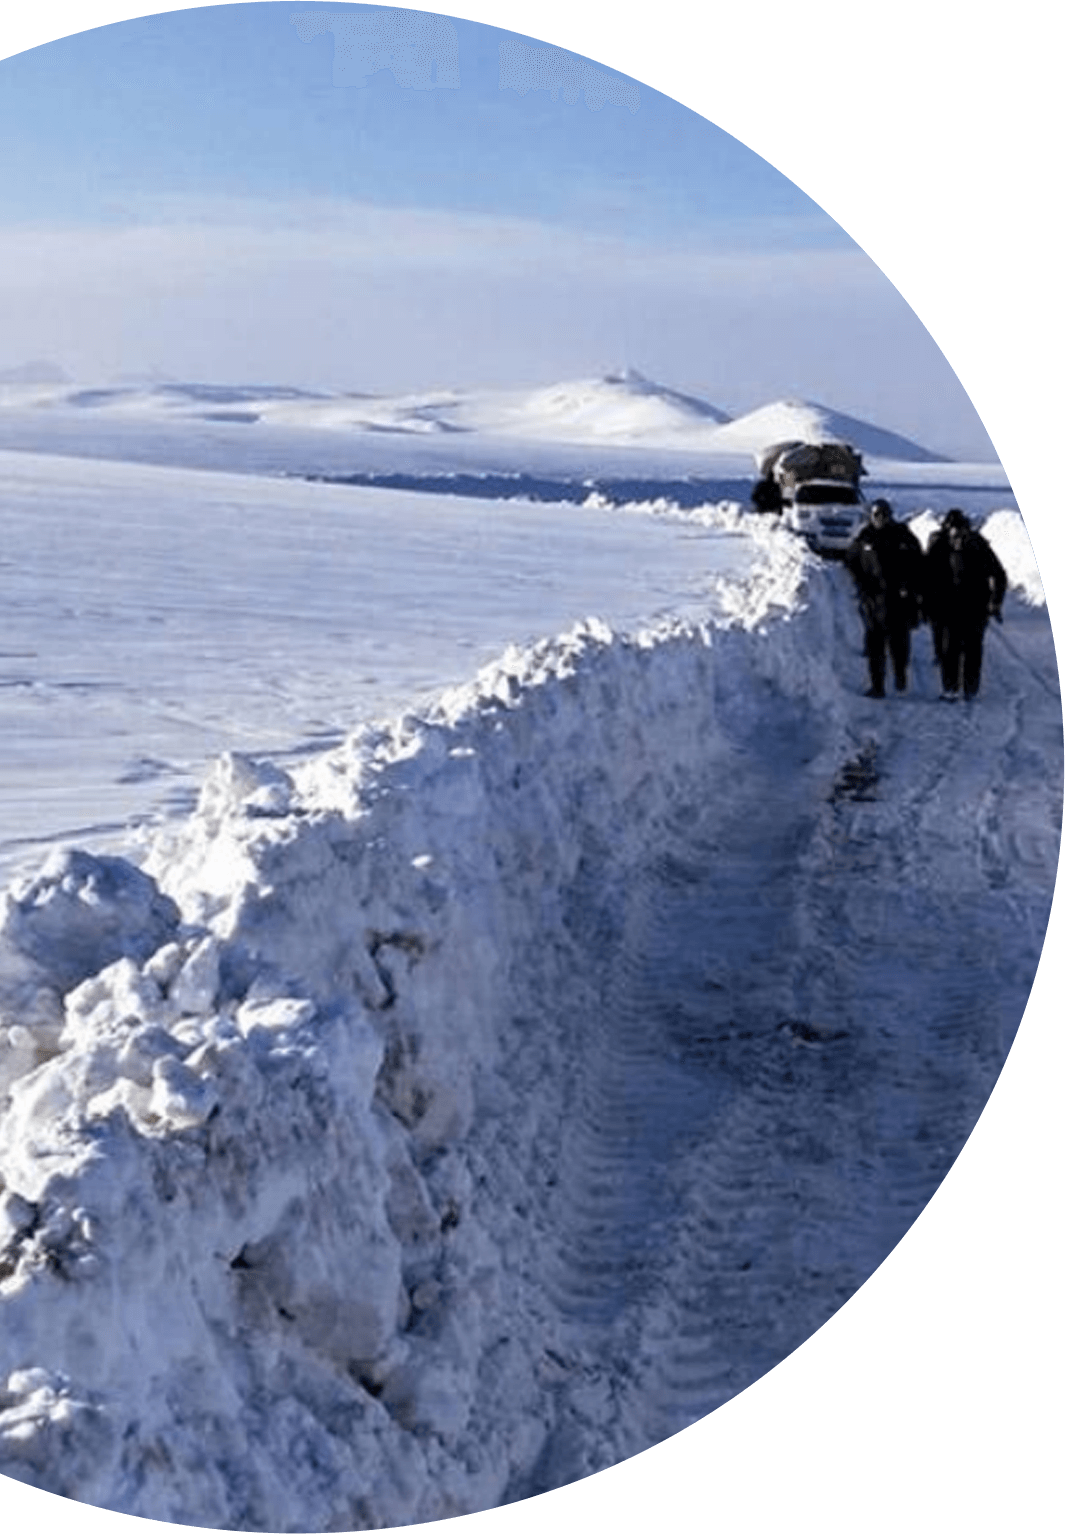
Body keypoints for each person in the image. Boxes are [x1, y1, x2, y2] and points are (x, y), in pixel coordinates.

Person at [923, 509, 1006, 701]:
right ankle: (950, 689)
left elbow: (999, 574)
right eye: (953, 531)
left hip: (976, 606)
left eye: (961, 531)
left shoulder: (979, 546)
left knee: (972, 648)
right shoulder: (938, 546)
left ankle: (970, 688)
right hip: (947, 607)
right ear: (947, 530)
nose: (957, 535)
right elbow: (925, 576)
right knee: (949, 649)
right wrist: (926, 602)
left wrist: (995, 602)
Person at [844, 499, 923, 697]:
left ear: (889, 516)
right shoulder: (865, 537)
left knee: (899, 642)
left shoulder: (902, 534)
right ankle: (877, 686)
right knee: (875, 644)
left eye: (883, 515)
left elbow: (918, 562)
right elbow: (851, 561)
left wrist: (911, 586)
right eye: (876, 515)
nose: (880, 519)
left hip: (899, 599)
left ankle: (900, 672)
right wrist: (861, 583)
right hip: (874, 599)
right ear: (871, 517)